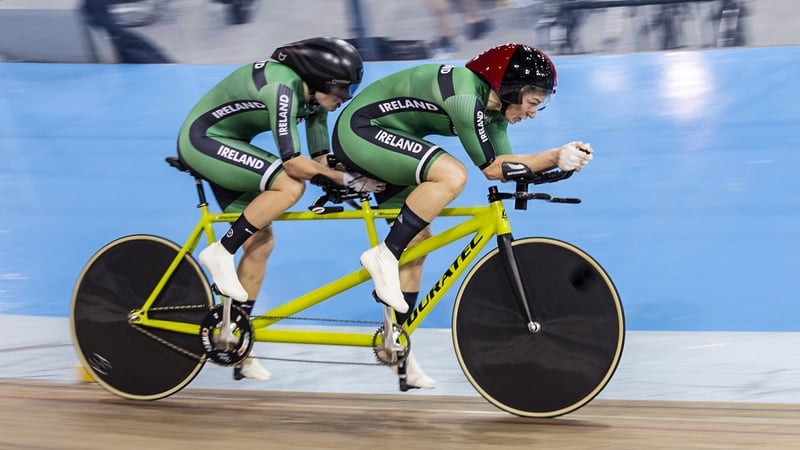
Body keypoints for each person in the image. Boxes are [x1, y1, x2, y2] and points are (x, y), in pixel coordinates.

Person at [331, 43, 593, 389]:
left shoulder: (494, 112)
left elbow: (506, 168)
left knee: (419, 241)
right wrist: (554, 154)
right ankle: (383, 255)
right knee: (452, 174)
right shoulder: (465, 96)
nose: (532, 113)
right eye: (532, 103)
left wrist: (556, 164)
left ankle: (396, 347)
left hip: (390, 137)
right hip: (361, 130)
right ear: (510, 87)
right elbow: (489, 168)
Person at [177, 37, 385, 381]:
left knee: (261, 244)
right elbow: (294, 165)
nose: (344, 98)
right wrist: (343, 179)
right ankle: (220, 252)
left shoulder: (315, 101)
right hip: (203, 141)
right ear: (319, 78)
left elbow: (319, 161)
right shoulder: (283, 88)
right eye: (341, 89)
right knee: (290, 185)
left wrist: (349, 176)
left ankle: (237, 342)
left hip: (229, 145)